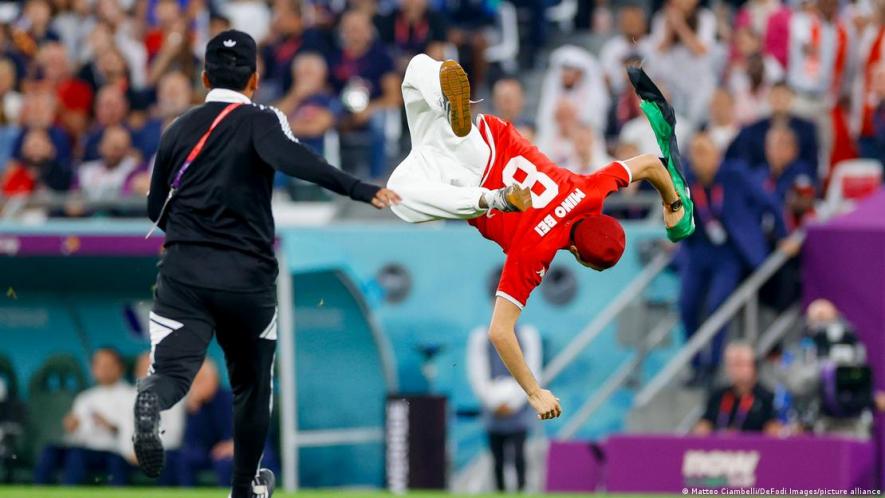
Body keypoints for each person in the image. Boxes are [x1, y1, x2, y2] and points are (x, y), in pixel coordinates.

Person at [133, 30, 398, 498]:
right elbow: (296, 160)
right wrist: (359, 188)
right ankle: (244, 487)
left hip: (183, 273)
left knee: (172, 373)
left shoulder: (177, 128)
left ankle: (152, 397)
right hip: (246, 278)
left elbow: (156, 209)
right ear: (255, 79)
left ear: (203, 77)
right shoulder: (262, 119)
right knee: (253, 387)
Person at [387, 55, 694, 420]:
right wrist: (535, 392)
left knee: (415, 70)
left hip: (484, 134)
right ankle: (493, 199)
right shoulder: (537, 252)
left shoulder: (591, 191)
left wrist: (672, 199)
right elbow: (500, 333)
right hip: (464, 181)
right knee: (400, 198)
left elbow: (649, 164)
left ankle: (440, 94)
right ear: (579, 255)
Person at [679, 131, 788, 383]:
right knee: (687, 306)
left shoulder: (734, 175)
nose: (699, 158)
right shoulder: (687, 179)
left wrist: (783, 235)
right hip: (699, 250)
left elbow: (770, 202)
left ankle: (714, 364)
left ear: (717, 155)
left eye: (705, 151)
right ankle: (696, 365)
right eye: (695, 152)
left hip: (729, 253)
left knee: (719, 306)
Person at [34, 348, 133, 485]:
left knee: (77, 455)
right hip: (83, 447)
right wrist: (72, 426)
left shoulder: (130, 396)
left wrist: (111, 427)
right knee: (50, 451)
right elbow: (74, 433)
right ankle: (38, 491)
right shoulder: (85, 397)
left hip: (111, 451)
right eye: (99, 365)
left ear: (120, 368)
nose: (103, 370)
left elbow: (132, 432)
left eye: (108, 365)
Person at [467, 325, 541, 491]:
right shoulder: (481, 336)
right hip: (493, 410)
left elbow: (533, 369)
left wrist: (514, 402)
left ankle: (522, 490)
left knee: (519, 456)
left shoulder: (527, 335)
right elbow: (477, 373)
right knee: (497, 459)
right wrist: (493, 402)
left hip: (519, 409)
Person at [120, 353, 186, 486]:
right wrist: (131, 452)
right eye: (144, 369)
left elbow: (175, 434)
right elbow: (124, 431)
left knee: (169, 459)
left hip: (165, 451)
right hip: (133, 454)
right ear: (136, 372)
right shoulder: (126, 398)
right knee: (116, 461)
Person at [693, 342, 780, 435]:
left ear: (753, 366)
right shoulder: (717, 396)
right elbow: (703, 426)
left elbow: (774, 431)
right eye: (731, 364)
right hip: (721, 447)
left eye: (740, 364)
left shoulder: (767, 397)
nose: (736, 370)